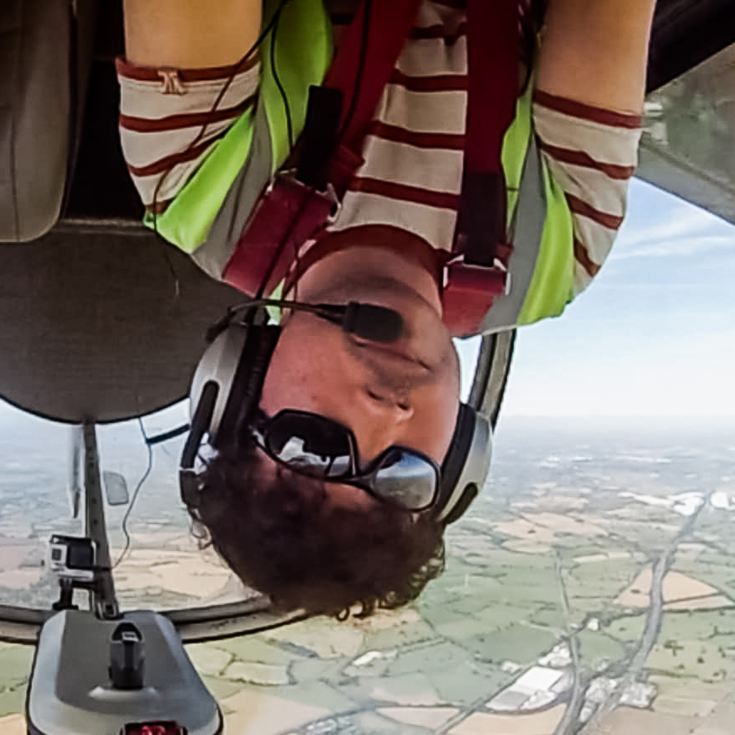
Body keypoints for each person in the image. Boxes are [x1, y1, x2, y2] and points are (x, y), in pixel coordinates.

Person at [119, 0, 656, 618]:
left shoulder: (195, 186)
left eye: (314, 448)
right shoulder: (556, 255)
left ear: (242, 387)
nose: (388, 414)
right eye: (404, 475)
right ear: (456, 459)